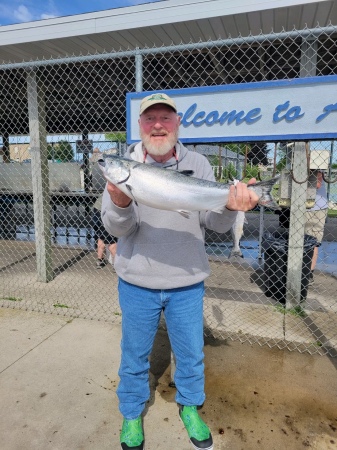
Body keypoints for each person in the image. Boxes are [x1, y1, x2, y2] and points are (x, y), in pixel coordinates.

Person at [101, 93, 259, 450]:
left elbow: (215, 224)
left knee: (190, 353)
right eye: (149, 119)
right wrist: (121, 201)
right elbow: (116, 228)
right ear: (140, 126)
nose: (158, 125)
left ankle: (189, 406)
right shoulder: (122, 166)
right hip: (137, 281)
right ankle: (131, 412)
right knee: (133, 354)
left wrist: (233, 207)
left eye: (165, 118)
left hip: (187, 282)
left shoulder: (199, 164)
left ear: (176, 123)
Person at [305, 170, 328, 285]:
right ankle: (299, 269)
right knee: (300, 239)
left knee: (313, 242)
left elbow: (317, 184)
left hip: (316, 209)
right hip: (302, 207)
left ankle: (309, 273)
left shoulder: (317, 169)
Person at [92, 194, 117, 268]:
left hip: (97, 208)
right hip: (107, 209)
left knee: (102, 235)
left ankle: (100, 260)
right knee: (112, 239)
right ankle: (116, 264)